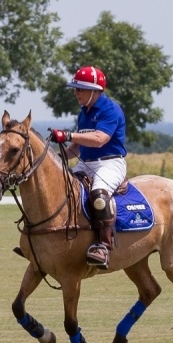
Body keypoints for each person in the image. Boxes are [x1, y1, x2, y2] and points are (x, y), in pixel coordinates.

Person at [50, 66, 127, 269]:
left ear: (95, 90)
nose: (76, 93)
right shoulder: (83, 113)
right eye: (75, 89)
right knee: (61, 186)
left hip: (110, 163)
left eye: (80, 89)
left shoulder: (110, 109)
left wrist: (67, 135)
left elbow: (100, 139)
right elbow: (76, 148)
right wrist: (53, 160)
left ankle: (103, 245)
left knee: (99, 195)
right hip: (86, 162)